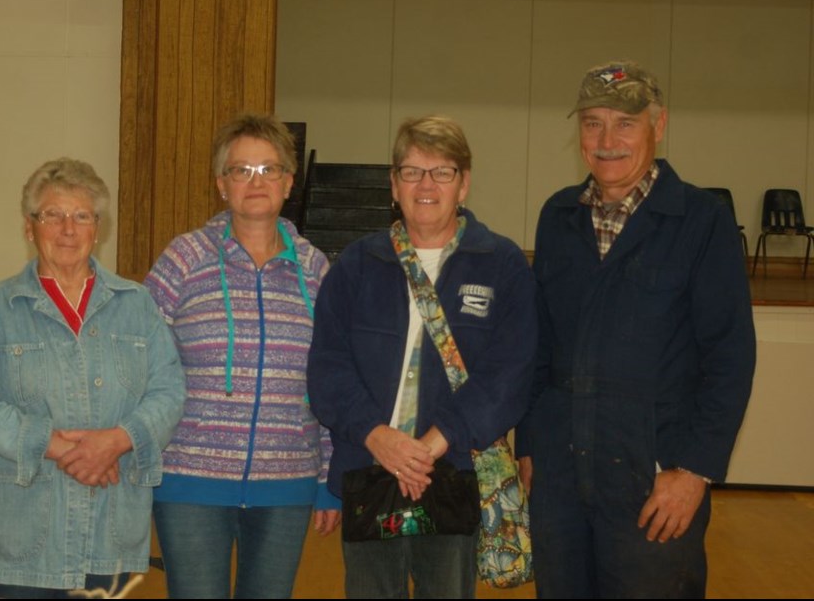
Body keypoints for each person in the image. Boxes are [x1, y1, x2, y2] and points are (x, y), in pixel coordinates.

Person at [515, 61, 756, 598]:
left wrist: (694, 470)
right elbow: (540, 344)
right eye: (592, 123)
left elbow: (730, 357)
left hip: (654, 481)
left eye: (624, 123)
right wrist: (530, 443)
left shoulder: (701, 221)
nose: (606, 140)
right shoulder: (558, 216)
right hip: (560, 474)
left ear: (658, 124)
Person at [307, 115, 537, 599]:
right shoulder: (356, 265)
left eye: (442, 171)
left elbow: (509, 374)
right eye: (412, 171)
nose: (426, 184)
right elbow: (328, 369)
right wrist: (378, 438)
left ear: (464, 184)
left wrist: (433, 444)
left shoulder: (502, 264)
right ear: (394, 184)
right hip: (370, 471)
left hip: (454, 471)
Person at [0, 157, 186, 598]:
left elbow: (168, 393)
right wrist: (55, 445)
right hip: (18, 542)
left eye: (82, 216)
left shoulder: (136, 305)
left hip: (108, 535)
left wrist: (116, 441)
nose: (67, 230)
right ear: (29, 227)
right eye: (52, 216)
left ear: (98, 229)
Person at [144, 113, 339, 599]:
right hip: (189, 482)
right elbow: (142, 363)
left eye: (269, 169)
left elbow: (334, 377)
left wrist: (328, 478)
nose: (256, 181)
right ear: (221, 184)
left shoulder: (317, 270)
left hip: (288, 483)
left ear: (289, 182)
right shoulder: (184, 258)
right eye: (241, 170)